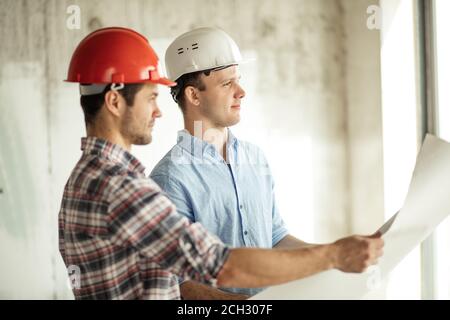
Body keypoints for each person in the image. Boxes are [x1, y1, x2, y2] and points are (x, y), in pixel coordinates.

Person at [58, 26, 384, 300]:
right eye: (151, 98)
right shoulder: (131, 184)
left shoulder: (100, 176)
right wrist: (333, 256)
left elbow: (273, 237)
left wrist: (334, 261)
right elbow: (212, 268)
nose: (158, 112)